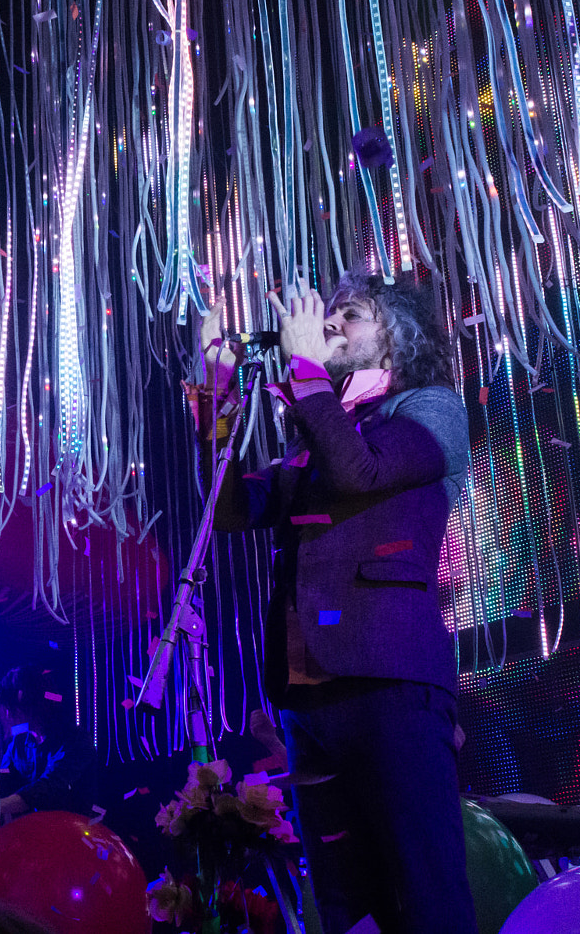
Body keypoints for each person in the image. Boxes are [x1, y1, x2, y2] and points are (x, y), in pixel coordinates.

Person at [190, 270, 476, 934]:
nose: (330, 325)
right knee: (347, 907)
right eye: (330, 316)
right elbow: (231, 510)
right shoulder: (319, 436)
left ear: (396, 339)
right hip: (307, 692)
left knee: (423, 887)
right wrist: (218, 396)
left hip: (388, 677)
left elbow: (362, 472)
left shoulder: (427, 407)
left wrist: (305, 372)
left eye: (351, 315)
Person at [0, 666, 97, 820]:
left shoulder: (76, 740)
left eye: (7, 707)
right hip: (34, 834)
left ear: (24, 703)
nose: (5, 714)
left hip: (77, 833)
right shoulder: (18, 744)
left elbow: (48, 788)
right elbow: (1, 784)